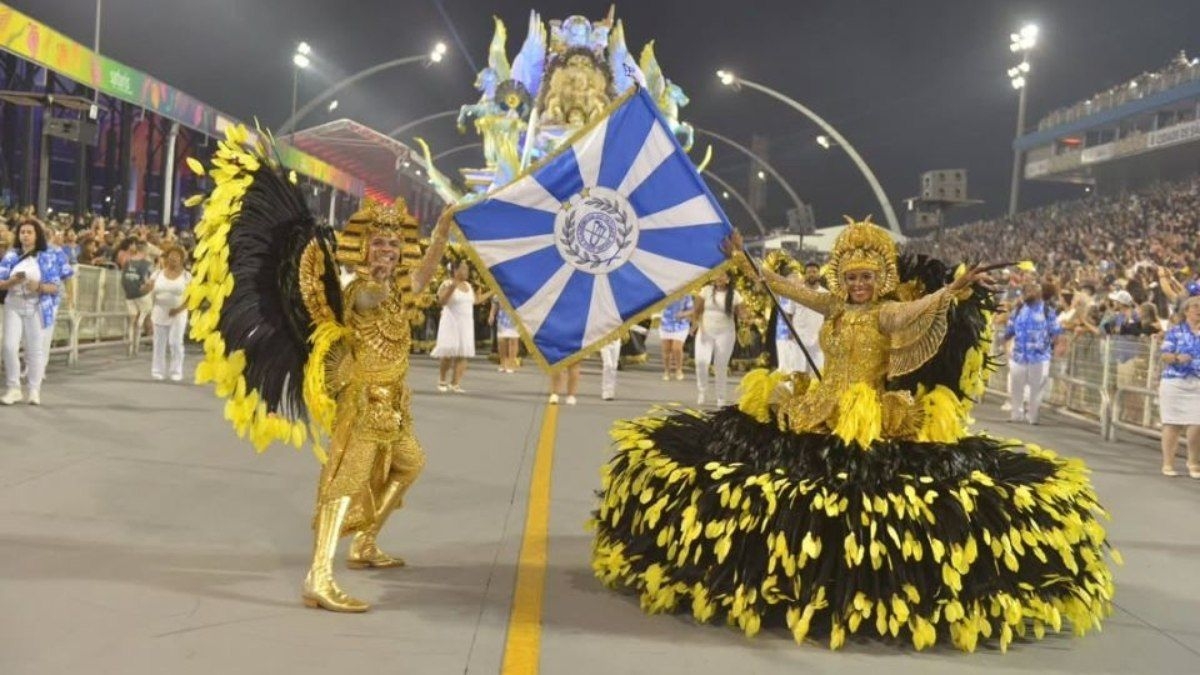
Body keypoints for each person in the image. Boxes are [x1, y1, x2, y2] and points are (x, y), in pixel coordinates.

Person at [592, 220, 1115, 652]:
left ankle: (855, 583)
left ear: (880, 278)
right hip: (819, 404)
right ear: (844, 277)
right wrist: (744, 258)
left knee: (859, 488)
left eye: (868, 277)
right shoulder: (836, 307)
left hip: (869, 413)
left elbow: (918, 310)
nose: (860, 284)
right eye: (853, 276)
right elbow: (788, 288)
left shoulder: (887, 312)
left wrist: (953, 290)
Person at [186, 128, 454, 613]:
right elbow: (369, 296)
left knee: (410, 462)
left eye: (394, 243)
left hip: (396, 401)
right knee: (343, 481)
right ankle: (318, 576)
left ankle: (364, 542)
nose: (387, 250)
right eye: (379, 243)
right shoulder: (358, 291)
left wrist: (445, 228)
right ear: (365, 248)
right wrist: (371, 276)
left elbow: (424, 272)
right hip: (364, 401)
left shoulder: (399, 288)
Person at [0, 220, 63, 405]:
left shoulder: (46, 257)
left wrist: (39, 286)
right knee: (9, 346)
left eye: (29, 232)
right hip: (14, 305)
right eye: (22, 232)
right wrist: (11, 282)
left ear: (37, 235)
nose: (25, 235)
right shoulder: (11, 256)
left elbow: (55, 287)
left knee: (35, 350)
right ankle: (13, 388)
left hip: (36, 306)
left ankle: (34, 389)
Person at [1004, 282, 1062, 425]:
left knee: (1036, 389)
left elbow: (1056, 332)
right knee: (1016, 387)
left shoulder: (1047, 310)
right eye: (1026, 290)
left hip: (1040, 357)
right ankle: (1016, 415)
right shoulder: (1018, 310)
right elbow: (1008, 332)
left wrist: (1053, 348)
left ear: (1039, 292)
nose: (1027, 292)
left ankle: (1032, 416)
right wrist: (1006, 349)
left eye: (1031, 289)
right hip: (1018, 356)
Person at [431, 259, 492, 393]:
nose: (466, 271)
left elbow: (475, 301)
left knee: (463, 354)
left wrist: (492, 292)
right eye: (463, 269)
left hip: (466, 324)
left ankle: (455, 383)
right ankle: (442, 380)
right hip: (450, 322)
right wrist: (451, 289)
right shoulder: (446, 283)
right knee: (448, 352)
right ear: (455, 270)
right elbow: (441, 302)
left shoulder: (469, 286)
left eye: (467, 269)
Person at [1158, 295, 1200, 478]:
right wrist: (1176, 358)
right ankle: (1167, 463)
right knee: (1172, 424)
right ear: (1186, 311)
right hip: (1175, 381)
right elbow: (1164, 355)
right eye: (1195, 306)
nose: (1199, 310)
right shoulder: (1176, 331)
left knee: (1197, 424)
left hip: (1197, 381)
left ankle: (1193, 462)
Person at [693, 271, 745, 406]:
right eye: (716, 275)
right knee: (701, 362)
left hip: (725, 334)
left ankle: (721, 397)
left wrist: (747, 318)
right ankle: (702, 391)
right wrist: (695, 325)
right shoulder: (706, 291)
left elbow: (742, 313)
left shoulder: (735, 295)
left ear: (728, 279)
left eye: (722, 276)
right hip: (705, 332)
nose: (718, 278)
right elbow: (696, 311)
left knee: (720, 366)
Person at [147, 246, 191, 381]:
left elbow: (192, 298)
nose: (173, 260)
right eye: (171, 258)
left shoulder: (187, 276)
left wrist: (179, 309)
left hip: (178, 313)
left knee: (175, 342)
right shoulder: (157, 274)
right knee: (159, 342)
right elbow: (150, 292)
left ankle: (176, 371)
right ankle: (157, 370)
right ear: (167, 259)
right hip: (159, 311)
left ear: (181, 260)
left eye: (176, 258)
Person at [776, 262, 826, 375]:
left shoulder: (825, 294)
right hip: (798, 340)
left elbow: (829, 317)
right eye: (808, 272)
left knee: (817, 376)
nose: (811, 274)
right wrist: (790, 331)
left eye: (814, 272)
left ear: (819, 274)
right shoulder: (797, 293)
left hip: (818, 342)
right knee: (799, 375)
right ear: (805, 275)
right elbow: (788, 314)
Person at [121, 241, 155, 354]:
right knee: (146, 311)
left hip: (129, 294)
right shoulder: (146, 263)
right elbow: (148, 280)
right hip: (141, 293)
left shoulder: (127, 262)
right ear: (145, 250)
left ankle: (130, 346)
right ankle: (136, 347)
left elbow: (123, 278)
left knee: (132, 320)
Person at [657, 296, 694, 380]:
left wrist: (683, 314)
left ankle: (679, 370)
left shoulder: (686, 295)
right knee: (666, 349)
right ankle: (667, 371)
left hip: (681, 324)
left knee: (676, 348)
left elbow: (692, 309)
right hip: (665, 323)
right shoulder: (663, 294)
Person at [488, 297, 520, 373]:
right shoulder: (500, 287)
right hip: (502, 317)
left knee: (513, 340)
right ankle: (503, 363)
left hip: (516, 316)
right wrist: (491, 315)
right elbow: (495, 302)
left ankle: (511, 364)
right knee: (501, 341)